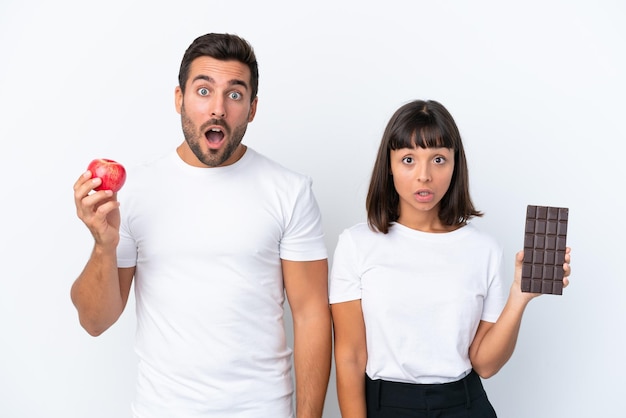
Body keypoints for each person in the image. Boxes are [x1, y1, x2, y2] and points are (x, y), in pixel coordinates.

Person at [71, 33, 332, 418]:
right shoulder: (135, 192)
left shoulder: (289, 191)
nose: (218, 109)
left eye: (235, 94)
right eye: (203, 90)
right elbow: (95, 321)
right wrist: (102, 246)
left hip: (262, 409)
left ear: (253, 108)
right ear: (179, 99)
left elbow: (311, 315)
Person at [329, 99, 572, 417]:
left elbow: (485, 365)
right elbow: (350, 356)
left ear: (456, 164)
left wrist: (519, 297)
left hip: (464, 404)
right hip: (387, 405)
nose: (424, 175)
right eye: (408, 160)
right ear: (388, 166)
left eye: (439, 159)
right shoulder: (357, 244)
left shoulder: (484, 249)